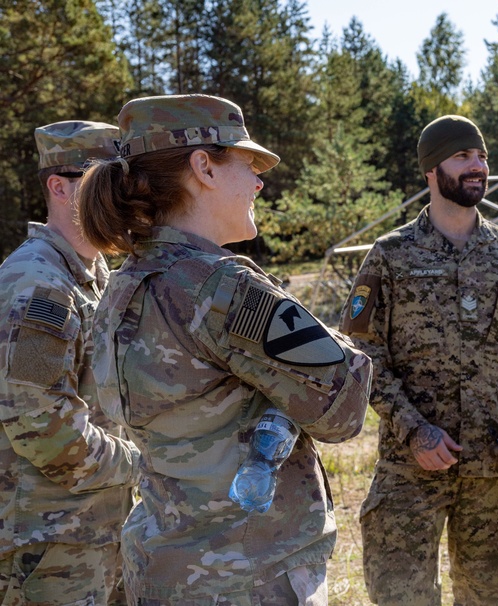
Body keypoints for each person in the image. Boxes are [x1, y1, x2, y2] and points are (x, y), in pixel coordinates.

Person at [76, 94, 372, 605]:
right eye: (248, 163)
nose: (259, 181)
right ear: (203, 167)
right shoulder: (221, 289)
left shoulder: (123, 285)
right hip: (248, 577)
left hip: (165, 569)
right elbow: (343, 407)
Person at [339, 115, 498, 606]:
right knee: (401, 596)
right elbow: (361, 353)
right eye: (463, 156)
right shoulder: (390, 255)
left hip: (493, 466)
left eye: (482, 156)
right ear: (431, 169)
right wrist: (413, 428)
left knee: (491, 598)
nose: (477, 166)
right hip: (411, 468)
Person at [0, 121, 140, 605]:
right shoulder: (39, 283)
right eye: (104, 182)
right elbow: (43, 426)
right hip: (48, 545)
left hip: (93, 530)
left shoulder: (96, 276)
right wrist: (144, 465)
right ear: (59, 187)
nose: (122, 197)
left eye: (124, 183)